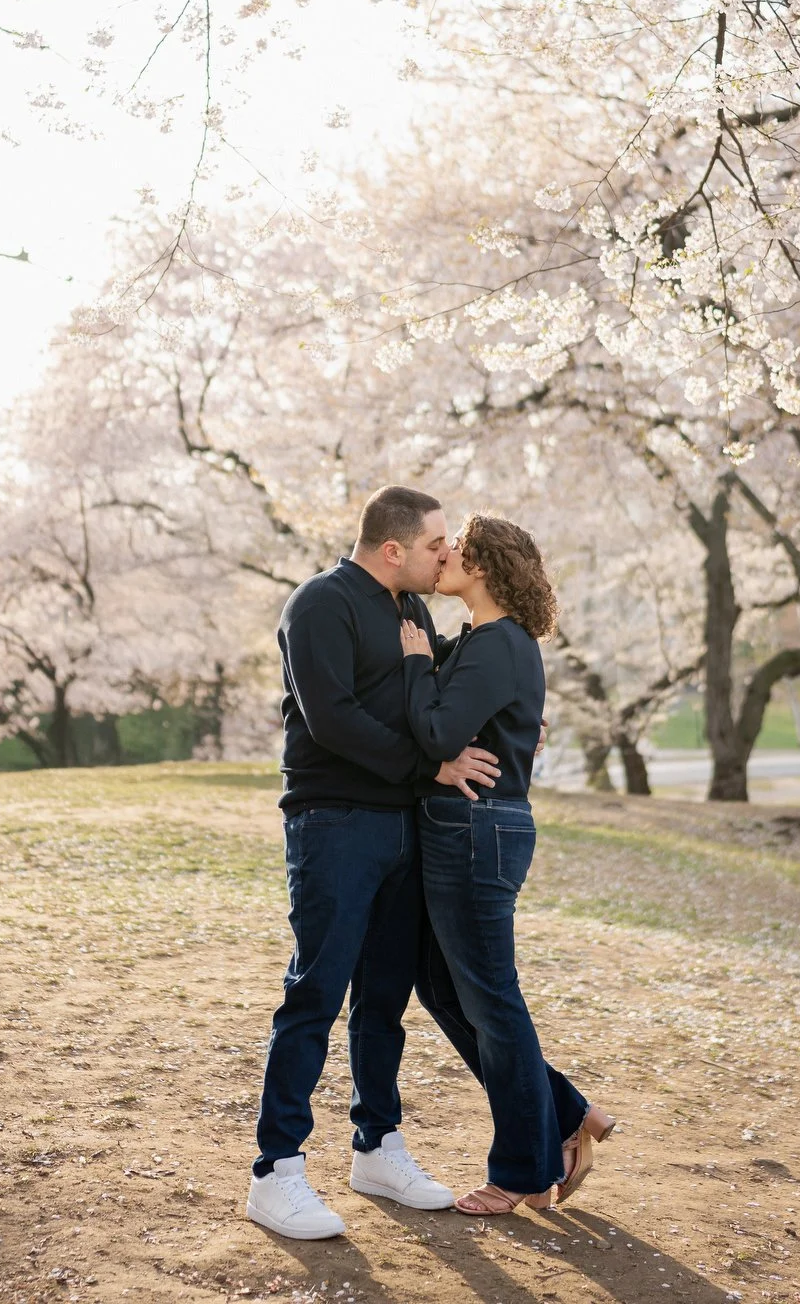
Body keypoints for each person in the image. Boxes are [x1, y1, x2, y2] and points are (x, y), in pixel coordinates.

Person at [246, 485, 501, 1241]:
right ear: (393, 549)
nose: (446, 555)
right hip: (334, 824)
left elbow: (436, 692)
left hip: (401, 827)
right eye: (435, 545)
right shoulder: (319, 605)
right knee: (316, 993)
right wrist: (434, 768)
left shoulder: (411, 611)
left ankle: (377, 1147)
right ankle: (275, 1171)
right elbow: (333, 722)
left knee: (385, 995)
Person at [400, 514, 616, 1217]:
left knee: (491, 1000)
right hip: (467, 830)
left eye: (457, 545)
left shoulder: (497, 645)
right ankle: (566, 1113)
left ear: (486, 565)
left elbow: (436, 731)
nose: (446, 554)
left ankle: (525, 1169)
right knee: (441, 987)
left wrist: (413, 666)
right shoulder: (481, 641)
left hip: (476, 832)